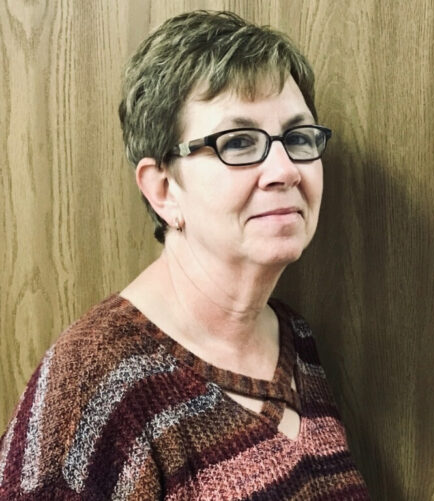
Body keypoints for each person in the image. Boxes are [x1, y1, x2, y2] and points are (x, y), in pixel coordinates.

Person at [0, 10, 370, 500]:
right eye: (239, 142)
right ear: (163, 189)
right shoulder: (95, 386)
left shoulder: (296, 340)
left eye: (298, 138)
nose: (285, 170)